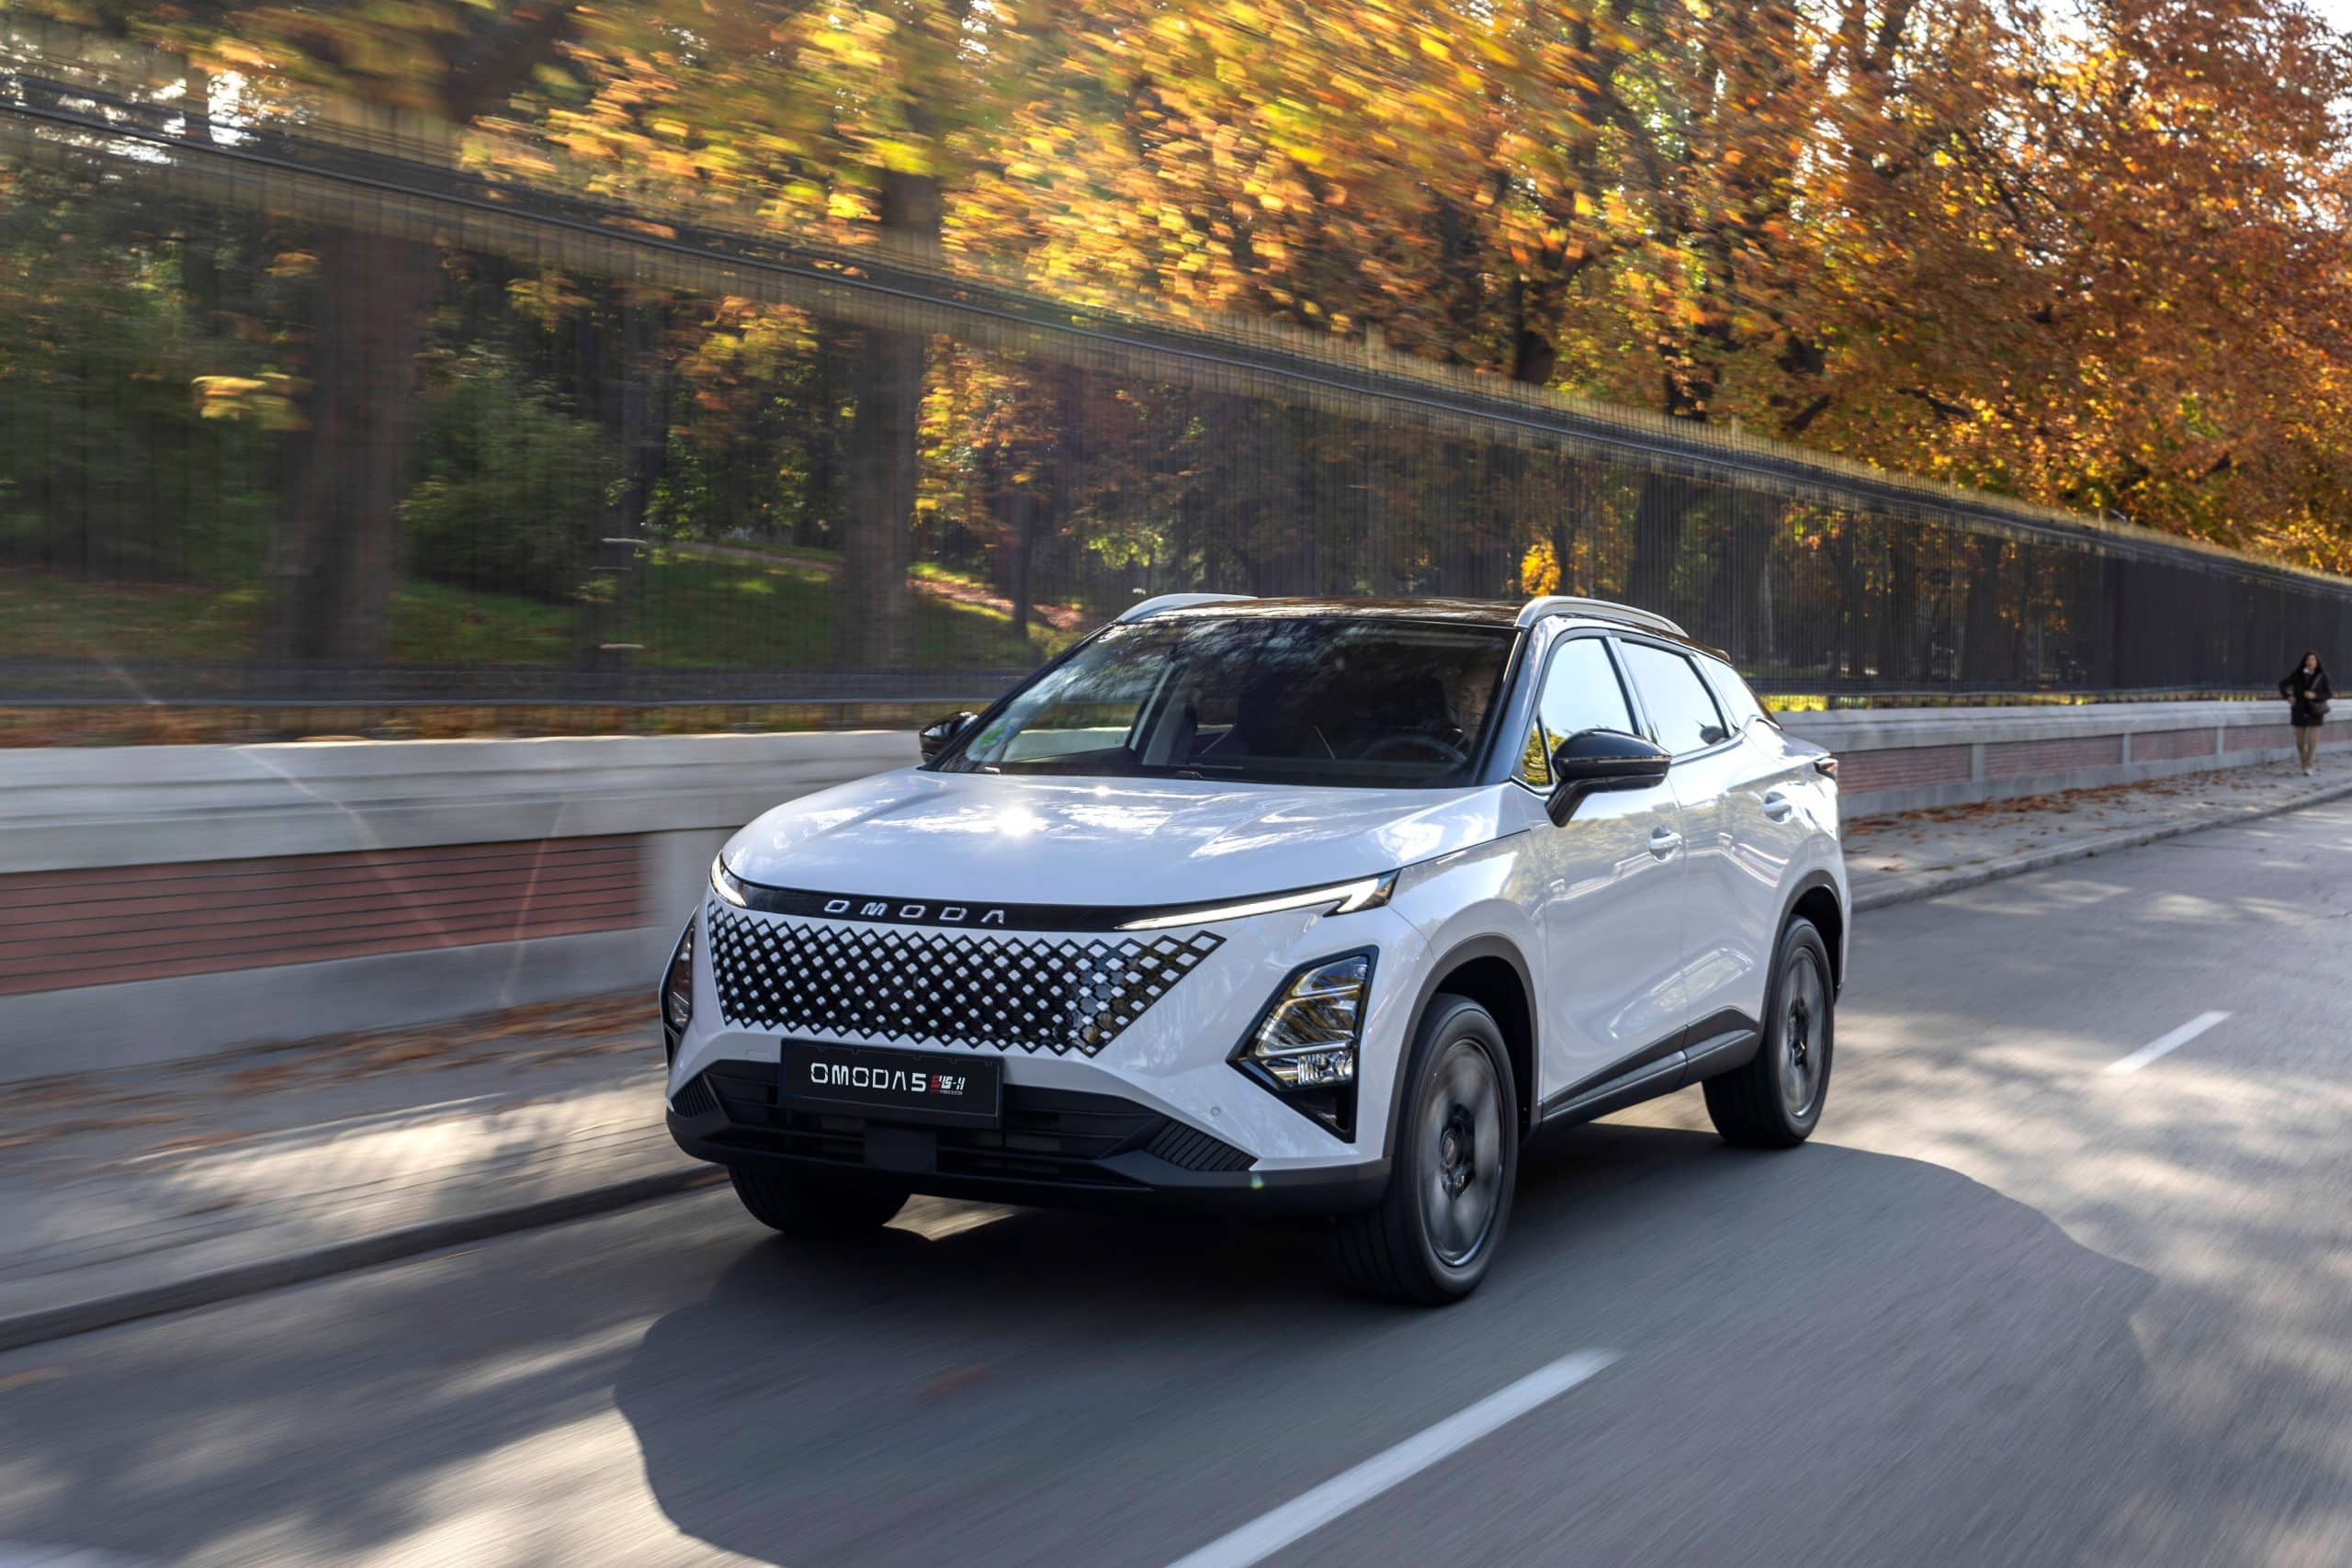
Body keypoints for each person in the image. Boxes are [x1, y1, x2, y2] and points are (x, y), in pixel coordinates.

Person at [2279, 650, 2333, 774]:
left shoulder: (2323, 676)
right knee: (2300, 742)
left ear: (2317, 662)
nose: (2310, 662)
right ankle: (2304, 761)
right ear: (2304, 662)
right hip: (2299, 710)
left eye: (2313, 659)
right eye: (2308, 659)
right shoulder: (2297, 675)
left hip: (2315, 711)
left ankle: (2309, 765)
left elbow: (2329, 694)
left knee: (2312, 741)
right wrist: (2288, 696)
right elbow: (2282, 684)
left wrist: (2315, 695)